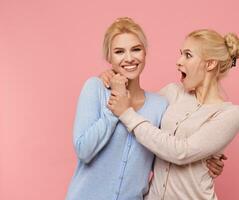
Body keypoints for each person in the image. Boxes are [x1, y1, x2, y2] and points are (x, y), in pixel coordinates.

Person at [66, 18, 223, 200]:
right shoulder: (95, 88)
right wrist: (116, 104)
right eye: (119, 52)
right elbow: (84, 152)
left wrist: (203, 161)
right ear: (109, 57)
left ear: (145, 53)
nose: (129, 58)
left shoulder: (159, 104)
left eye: (136, 49)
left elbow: (166, 154)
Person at [105, 29, 239, 199]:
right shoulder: (172, 92)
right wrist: (108, 78)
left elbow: (182, 152)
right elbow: (138, 110)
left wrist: (127, 114)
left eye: (188, 55)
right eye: (181, 54)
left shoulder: (230, 113)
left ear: (210, 64)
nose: (178, 62)